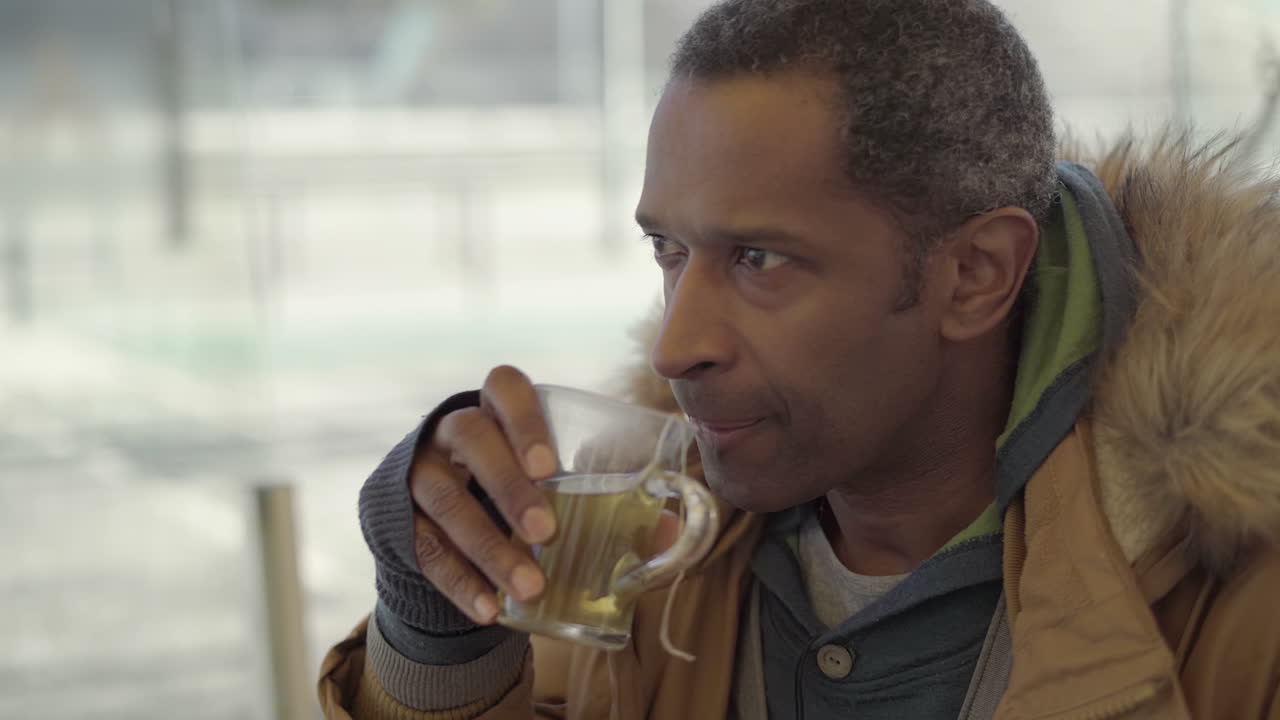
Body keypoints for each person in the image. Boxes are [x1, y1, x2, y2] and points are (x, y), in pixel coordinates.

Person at [319, 0, 1280, 718]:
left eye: (760, 258)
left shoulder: (1243, 608)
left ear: (976, 274)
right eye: (670, 251)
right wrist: (434, 630)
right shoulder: (639, 545)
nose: (674, 344)